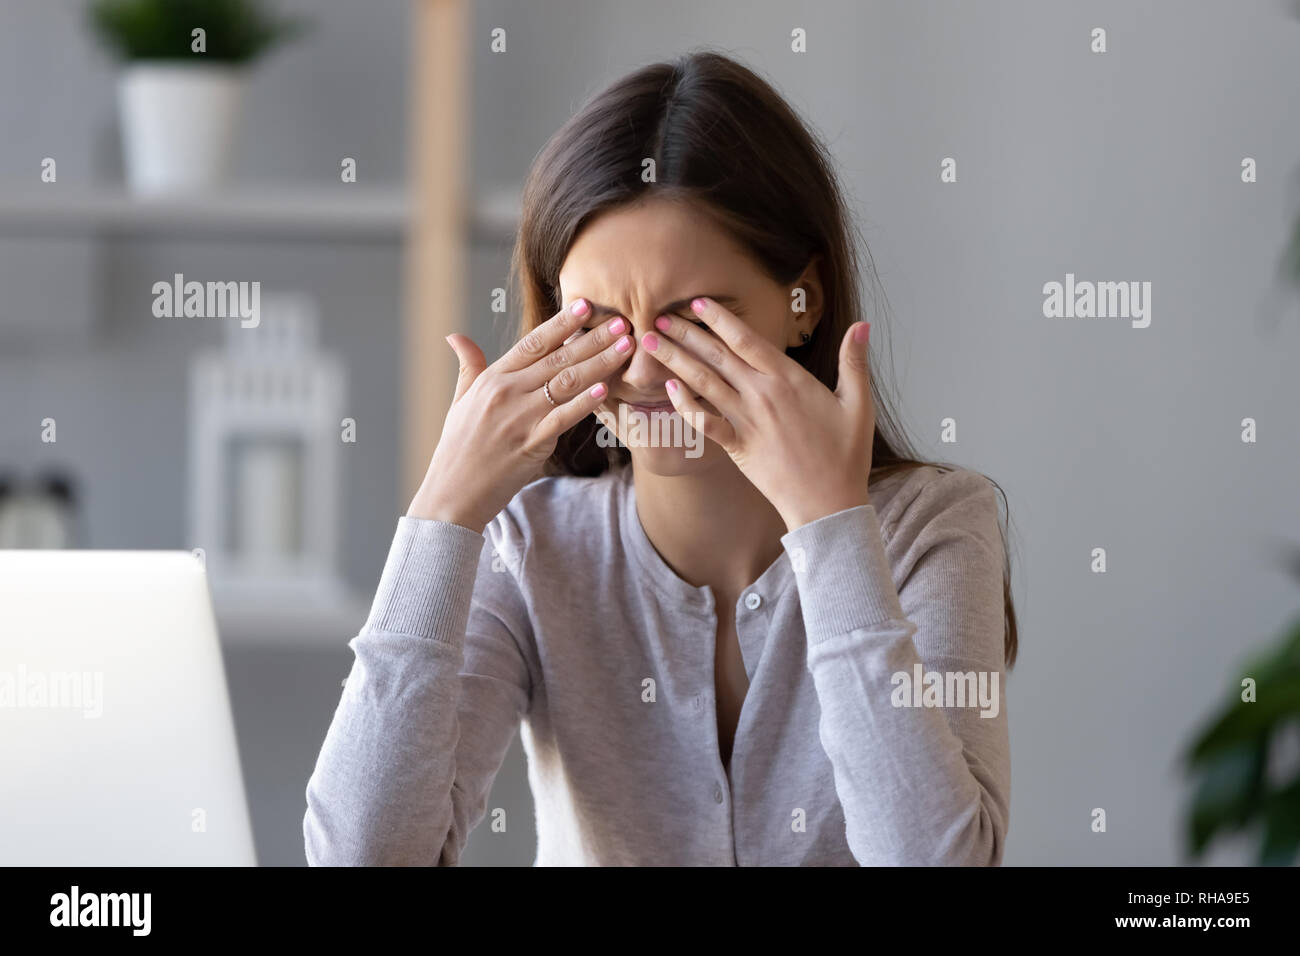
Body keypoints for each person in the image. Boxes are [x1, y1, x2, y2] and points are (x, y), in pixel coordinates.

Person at [304, 49, 1018, 866]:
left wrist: (830, 525)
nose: (641, 369)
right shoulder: (532, 544)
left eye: (690, 320)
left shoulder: (932, 526)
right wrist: (442, 515)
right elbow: (363, 856)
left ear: (802, 304)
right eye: (600, 322)